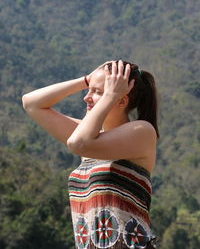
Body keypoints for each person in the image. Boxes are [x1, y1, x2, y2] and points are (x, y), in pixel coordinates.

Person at [22, 60, 158, 249]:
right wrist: (86, 80)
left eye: (97, 92)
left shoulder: (142, 132)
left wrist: (110, 95)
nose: (87, 97)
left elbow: (77, 143)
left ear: (121, 100)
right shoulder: (90, 139)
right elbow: (31, 103)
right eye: (89, 90)